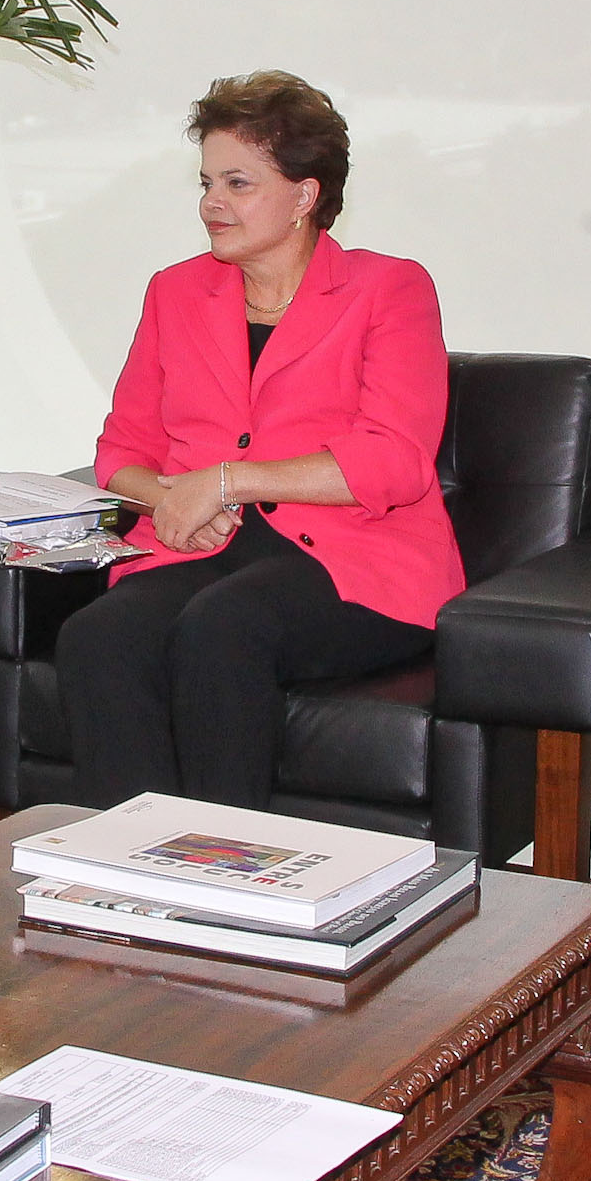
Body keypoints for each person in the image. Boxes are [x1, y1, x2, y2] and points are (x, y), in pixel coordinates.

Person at [58, 72, 464, 813]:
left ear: (305, 196)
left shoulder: (389, 290)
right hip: (205, 545)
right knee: (98, 636)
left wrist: (227, 480)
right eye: (208, 181)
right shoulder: (174, 291)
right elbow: (122, 448)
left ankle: (225, 881)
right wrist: (174, 495)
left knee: (224, 629)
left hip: (353, 556)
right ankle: (130, 875)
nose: (213, 203)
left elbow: (396, 460)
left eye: (238, 183)